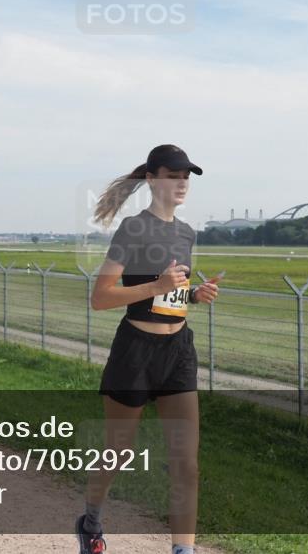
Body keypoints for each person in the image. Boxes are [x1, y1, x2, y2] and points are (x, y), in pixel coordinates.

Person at [77, 145, 221, 554]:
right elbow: (101, 297)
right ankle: (90, 522)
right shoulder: (133, 230)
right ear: (153, 179)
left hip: (178, 351)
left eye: (187, 177)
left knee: (186, 463)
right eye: (174, 175)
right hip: (135, 352)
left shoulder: (187, 233)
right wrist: (157, 285)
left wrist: (194, 294)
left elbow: (170, 294)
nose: (182, 183)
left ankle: (183, 550)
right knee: (117, 452)